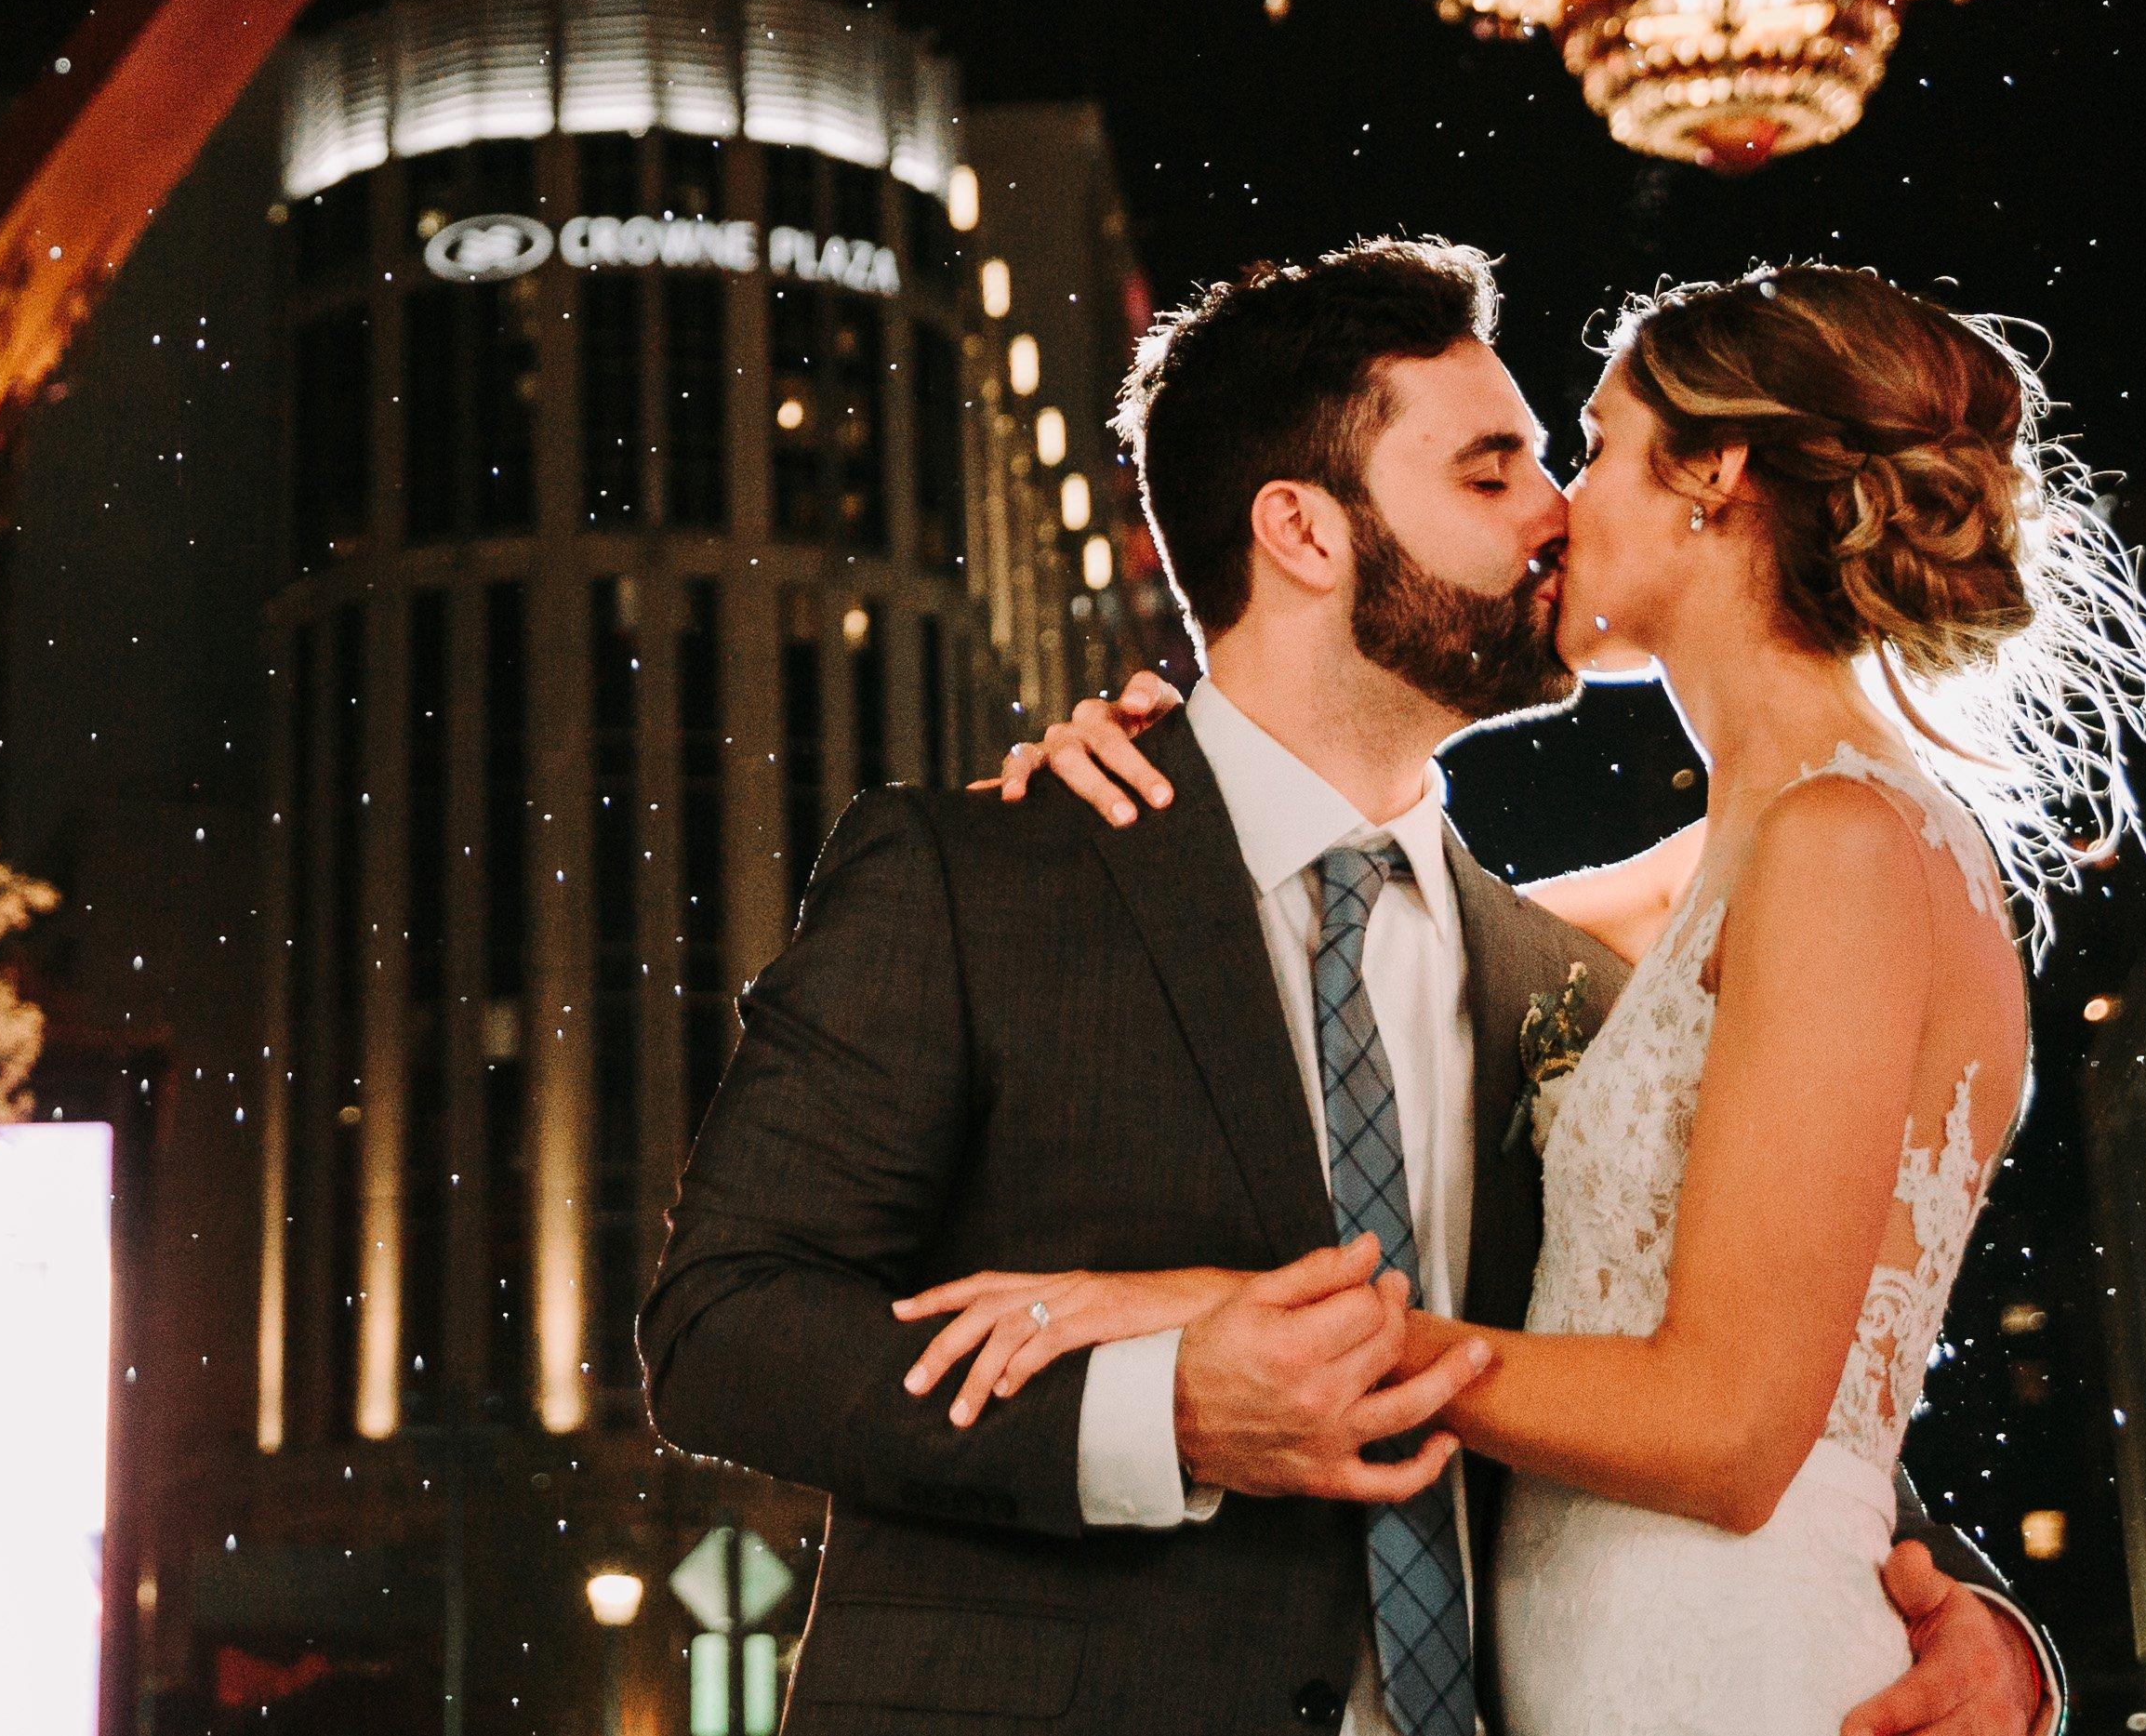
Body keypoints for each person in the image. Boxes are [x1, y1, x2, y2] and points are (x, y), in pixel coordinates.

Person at [638, 241, 2067, 1736]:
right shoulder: (980, 874)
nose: (1553, 513)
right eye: (1494, 469)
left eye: (1560, 455)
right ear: (1304, 532)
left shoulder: (1564, 969)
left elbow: (1743, 1361)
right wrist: (1164, 1402)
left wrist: (1967, 1627)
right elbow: (723, 1330)